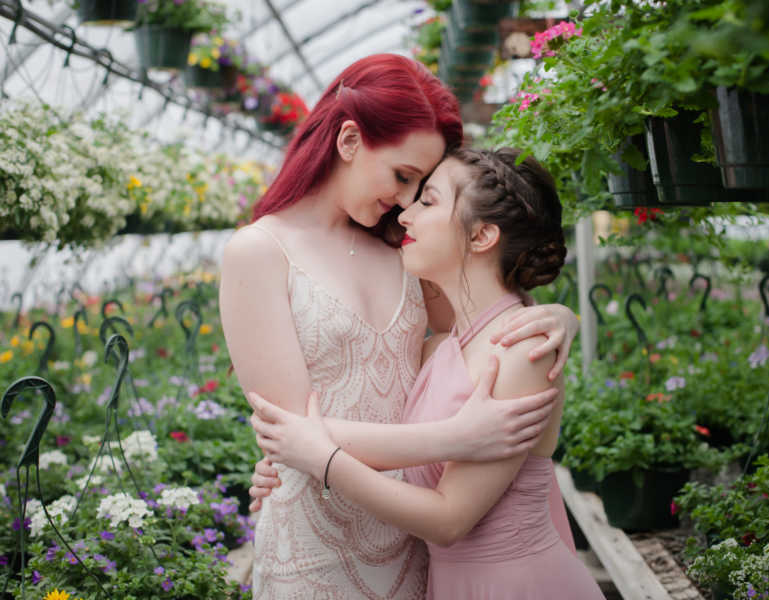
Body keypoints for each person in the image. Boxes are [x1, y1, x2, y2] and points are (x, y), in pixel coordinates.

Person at [219, 55, 580, 599]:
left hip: (414, 535)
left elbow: (475, 331)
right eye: (403, 176)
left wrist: (557, 316)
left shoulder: (401, 247)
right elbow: (290, 431)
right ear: (347, 142)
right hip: (318, 538)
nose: (407, 201)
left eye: (422, 187)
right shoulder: (259, 252)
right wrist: (453, 438)